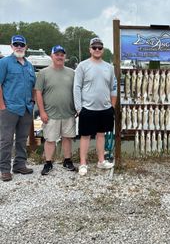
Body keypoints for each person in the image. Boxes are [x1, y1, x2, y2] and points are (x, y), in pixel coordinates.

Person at [74, 37, 117, 176]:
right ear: (90, 49)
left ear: (102, 49)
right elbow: (77, 87)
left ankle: (101, 161)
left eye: (99, 47)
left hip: (105, 108)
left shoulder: (109, 67)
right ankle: (83, 163)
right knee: (85, 136)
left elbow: (113, 88)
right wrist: (79, 108)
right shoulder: (82, 65)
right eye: (94, 47)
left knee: (101, 135)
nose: (97, 50)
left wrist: (112, 106)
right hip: (87, 108)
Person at [35, 45, 76, 175]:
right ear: (52, 56)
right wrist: (41, 111)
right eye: (57, 54)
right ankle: (48, 163)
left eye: (62, 54)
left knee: (67, 138)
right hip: (50, 113)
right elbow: (38, 93)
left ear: (65, 56)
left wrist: (77, 108)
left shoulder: (72, 72)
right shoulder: (43, 73)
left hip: (68, 112)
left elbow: (77, 91)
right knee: (50, 139)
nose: (59, 56)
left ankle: (67, 160)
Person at [0, 35, 36, 181]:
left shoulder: (29, 65)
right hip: (9, 107)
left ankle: (19, 164)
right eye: (16, 44)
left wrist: (32, 101)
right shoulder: (4, 62)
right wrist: (2, 106)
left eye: (22, 44)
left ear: (26, 47)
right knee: (6, 140)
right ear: (11, 46)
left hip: (26, 108)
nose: (19, 47)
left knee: (22, 139)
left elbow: (34, 85)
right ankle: (4, 169)